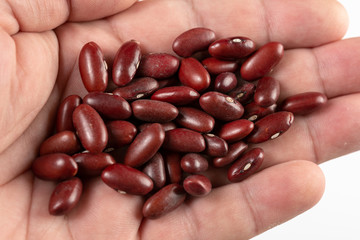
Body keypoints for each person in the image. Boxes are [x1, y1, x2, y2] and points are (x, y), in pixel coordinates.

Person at [0, 0, 358, 239]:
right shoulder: (112, 118)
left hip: (184, 129)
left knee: (159, 121)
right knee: (144, 121)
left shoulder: (187, 114)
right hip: (143, 128)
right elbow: (145, 114)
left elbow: (167, 117)